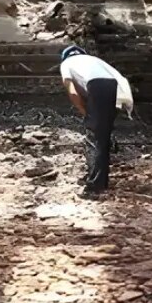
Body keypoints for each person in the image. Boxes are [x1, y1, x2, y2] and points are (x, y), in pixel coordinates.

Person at [59, 45, 130, 198]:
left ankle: (94, 187)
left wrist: (86, 113)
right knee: (102, 135)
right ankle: (100, 180)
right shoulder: (93, 61)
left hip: (98, 85)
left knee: (94, 138)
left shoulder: (66, 64)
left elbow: (72, 91)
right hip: (117, 87)